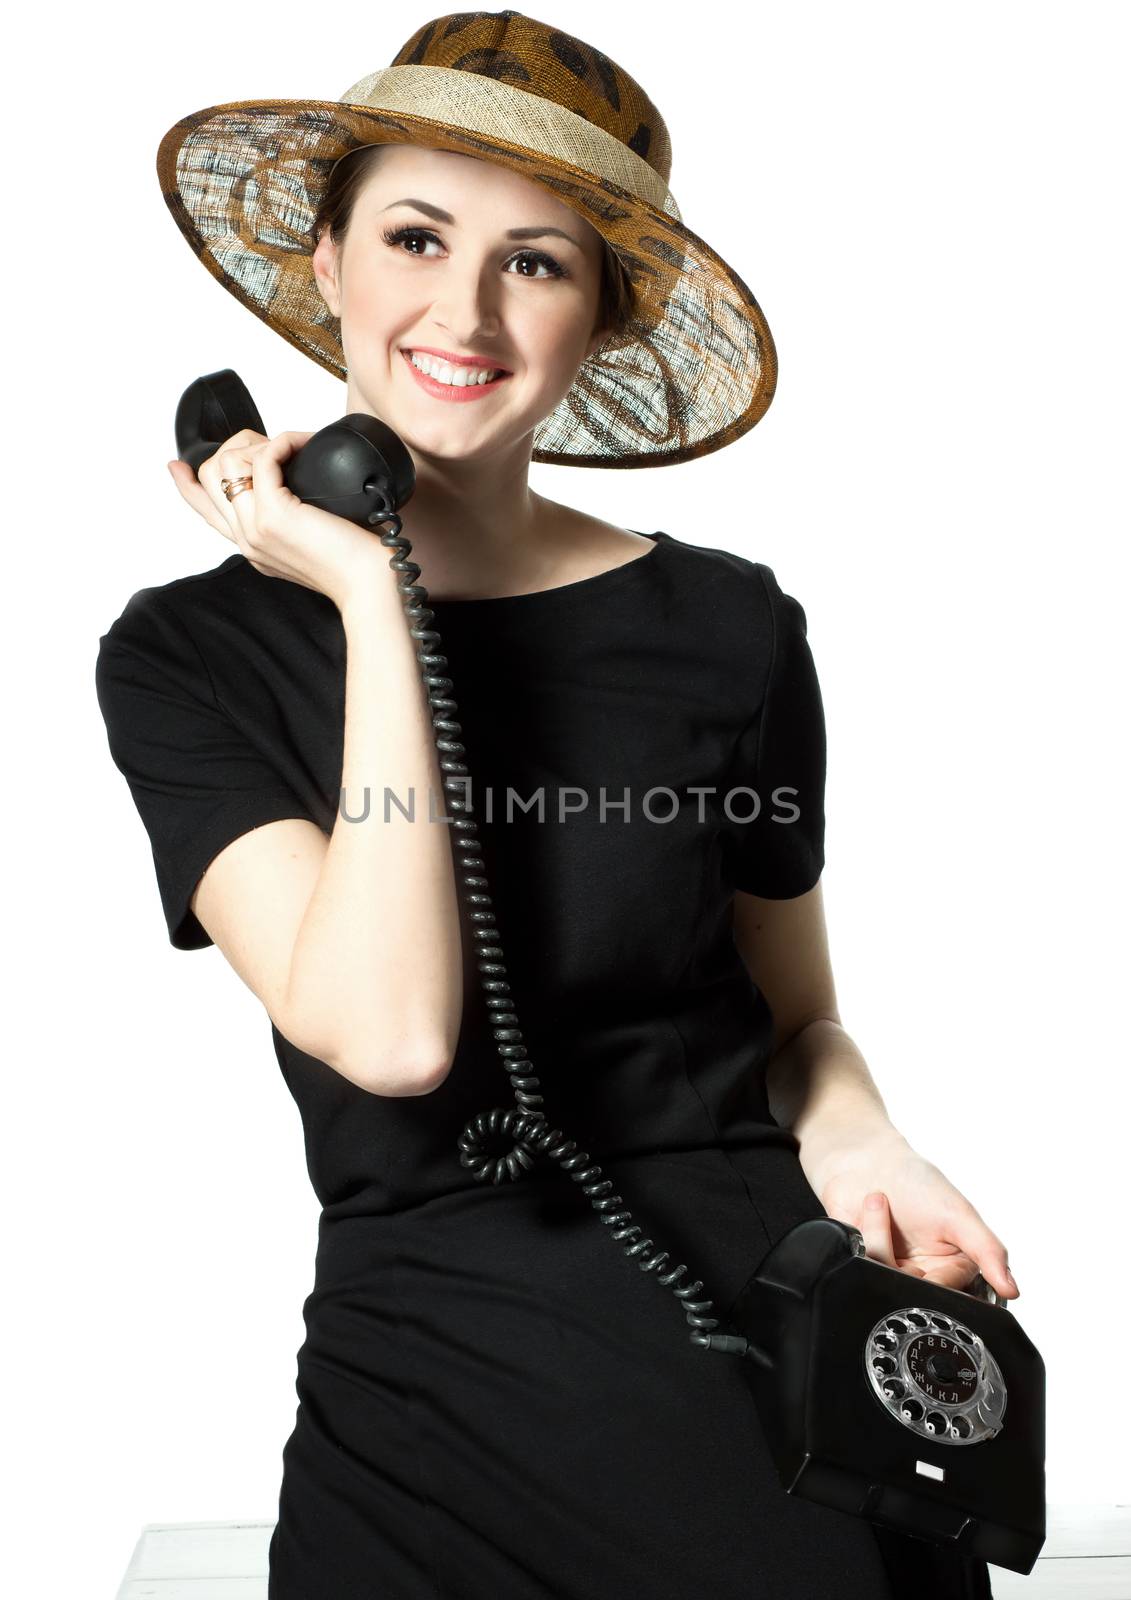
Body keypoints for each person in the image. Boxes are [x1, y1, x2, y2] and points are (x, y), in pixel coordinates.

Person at [94, 12, 1012, 1597]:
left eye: (536, 263)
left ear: (598, 316)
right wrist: (373, 600)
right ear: (326, 261)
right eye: (415, 236)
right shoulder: (190, 655)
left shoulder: (733, 629)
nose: (463, 308)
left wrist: (873, 1137)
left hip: (753, 1330)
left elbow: (796, 1025)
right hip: (428, 1374)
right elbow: (390, 1038)